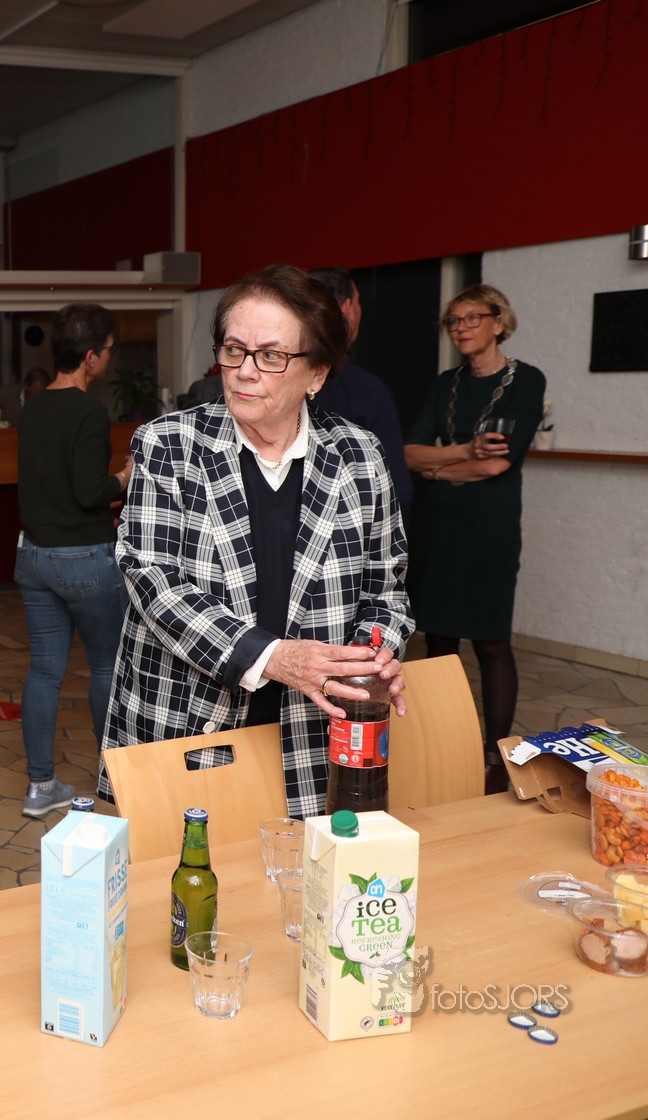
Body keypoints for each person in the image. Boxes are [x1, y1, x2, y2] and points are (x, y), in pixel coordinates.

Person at [99, 264, 412, 818]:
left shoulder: (359, 454)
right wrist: (274, 657)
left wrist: (370, 659)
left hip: (316, 725)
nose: (244, 371)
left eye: (271, 356)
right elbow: (154, 583)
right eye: (234, 350)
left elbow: (385, 589)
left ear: (317, 373)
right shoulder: (170, 445)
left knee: (307, 865)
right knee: (191, 864)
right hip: (189, 721)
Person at [402, 283, 546, 793]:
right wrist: (463, 452)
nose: (461, 328)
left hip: (490, 527)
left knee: (491, 641)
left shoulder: (526, 380)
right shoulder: (447, 383)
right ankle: (441, 742)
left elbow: (497, 465)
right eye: (453, 321)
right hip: (439, 526)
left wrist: (439, 468)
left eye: (472, 318)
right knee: (438, 641)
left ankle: (497, 757)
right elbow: (410, 453)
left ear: (498, 322)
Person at [15, 303, 130, 818]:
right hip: (84, 558)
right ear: (90, 356)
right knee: (106, 665)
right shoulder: (88, 412)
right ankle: (116, 781)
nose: (109, 357)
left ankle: (40, 786)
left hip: (33, 556)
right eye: (108, 349)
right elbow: (89, 492)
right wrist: (124, 477)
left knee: (44, 671)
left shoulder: (33, 407)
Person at [306, 267, 413, 513]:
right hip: (348, 527)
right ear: (347, 308)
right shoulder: (366, 390)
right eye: (358, 301)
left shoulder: (272, 382)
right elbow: (395, 489)